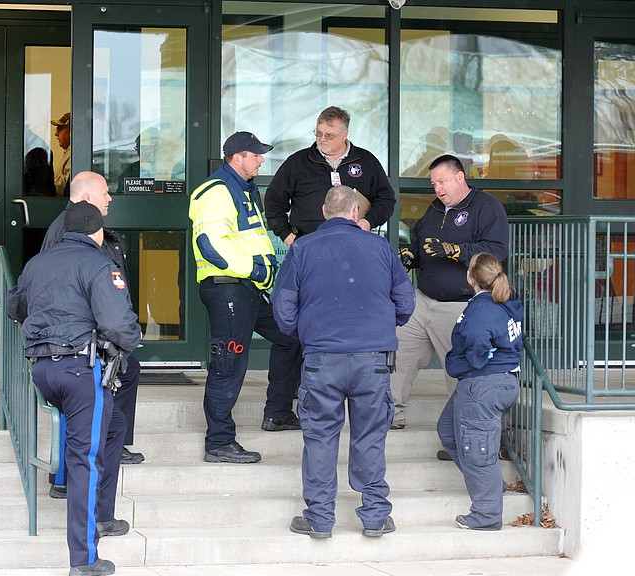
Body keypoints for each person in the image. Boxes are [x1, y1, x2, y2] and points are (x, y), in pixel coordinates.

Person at [6, 200, 141, 576]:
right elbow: (117, 324)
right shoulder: (100, 263)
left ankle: (101, 516)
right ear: (96, 232)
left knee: (107, 430)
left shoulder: (38, 263)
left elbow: (15, 307)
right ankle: (84, 557)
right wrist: (133, 337)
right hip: (81, 371)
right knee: (86, 457)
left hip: (44, 372)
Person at [272, 185, 415, 539]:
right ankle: (375, 516)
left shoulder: (303, 248)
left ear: (324, 212)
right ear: (356, 214)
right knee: (370, 437)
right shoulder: (380, 247)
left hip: (322, 359)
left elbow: (283, 307)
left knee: (320, 438)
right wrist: (378, 327)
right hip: (373, 360)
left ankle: (320, 519)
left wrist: (306, 334)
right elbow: (406, 304)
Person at [189, 131, 302, 464]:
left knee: (290, 336)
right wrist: (254, 269)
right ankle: (219, 441)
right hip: (228, 287)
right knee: (229, 363)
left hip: (247, 290)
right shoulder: (217, 190)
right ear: (237, 157)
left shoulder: (242, 189)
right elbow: (209, 243)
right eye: (256, 155)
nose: (261, 159)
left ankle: (278, 412)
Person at [41, 172, 145, 502]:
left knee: (119, 384)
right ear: (86, 197)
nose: (110, 198)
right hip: (81, 342)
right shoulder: (69, 230)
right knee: (96, 404)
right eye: (105, 192)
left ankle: (71, 473)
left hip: (84, 339)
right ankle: (74, 475)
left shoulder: (75, 225)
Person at [391, 154, 509, 434]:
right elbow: (420, 242)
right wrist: (411, 255)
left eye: (442, 181)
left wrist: (457, 252)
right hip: (422, 302)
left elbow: (496, 251)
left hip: (461, 305)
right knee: (398, 355)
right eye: (434, 184)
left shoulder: (486, 207)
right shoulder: (434, 209)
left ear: (460, 177)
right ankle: (390, 414)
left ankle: (463, 429)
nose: (438, 189)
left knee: (459, 370)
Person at [436, 252, 523, 531]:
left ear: (471, 277)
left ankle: (486, 515)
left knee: (477, 449)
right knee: (449, 431)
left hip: (483, 384)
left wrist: (463, 364)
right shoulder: (506, 300)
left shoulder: (482, 309)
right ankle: (491, 484)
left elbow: (476, 346)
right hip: (497, 382)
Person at [264, 106, 396, 247]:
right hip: (309, 245)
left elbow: (386, 199)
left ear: (345, 134)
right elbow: (273, 201)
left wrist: (370, 221)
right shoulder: (298, 162)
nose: (322, 139)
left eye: (329, 135)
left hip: (355, 245)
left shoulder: (366, 161)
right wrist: (287, 236)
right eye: (319, 133)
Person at [52, 112, 71, 196]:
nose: (56, 134)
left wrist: (43, 180)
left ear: (71, 131)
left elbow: (68, 185)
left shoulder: (75, 154)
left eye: (59, 129)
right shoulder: (69, 152)